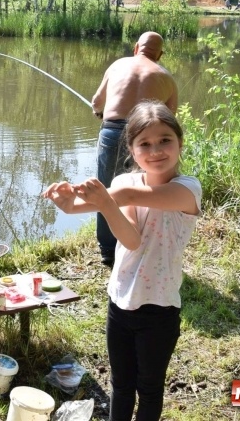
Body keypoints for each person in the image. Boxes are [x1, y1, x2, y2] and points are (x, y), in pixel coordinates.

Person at [43, 101, 201, 421]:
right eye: (144, 143)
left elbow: (126, 198)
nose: (155, 150)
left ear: (180, 143)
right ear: (131, 149)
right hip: (120, 300)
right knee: (121, 385)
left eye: (165, 140)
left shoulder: (187, 189)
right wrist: (72, 205)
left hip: (160, 307)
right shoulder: (125, 184)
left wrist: (92, 202)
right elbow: (131, 240)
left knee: (150, 387)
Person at [90, 32, 178, 266]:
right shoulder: (166, 77)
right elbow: (169, 121)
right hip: (145, 139)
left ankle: (108, 251)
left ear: (136, 47)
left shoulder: (118, 65)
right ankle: (138, 246)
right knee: (139, 192)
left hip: (112, 131)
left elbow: (97, 101)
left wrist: (99, 111)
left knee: (106, 191)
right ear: (160, 54)